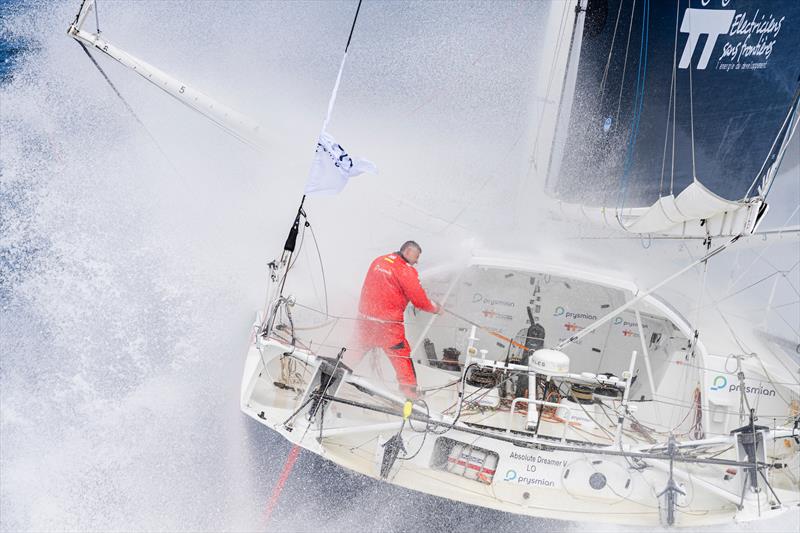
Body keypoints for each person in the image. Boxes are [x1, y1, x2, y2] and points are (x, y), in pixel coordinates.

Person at [348, 241, 440, 398]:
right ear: (408, 251)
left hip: (365, 320)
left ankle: (332, 375)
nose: (417, 261)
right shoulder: (405, 271)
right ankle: (409, 395)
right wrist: (436, 308)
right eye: (416, 257)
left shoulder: (379, 260)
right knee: (402, 356)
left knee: (353, 353)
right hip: (387, 326)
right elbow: (420, 300)